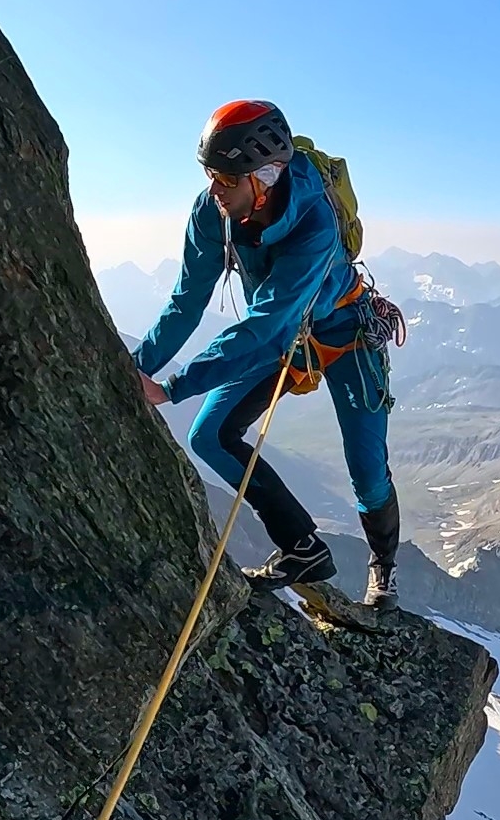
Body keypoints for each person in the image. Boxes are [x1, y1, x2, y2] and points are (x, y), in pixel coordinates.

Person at [134, 99, 401, 607]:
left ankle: (384, 568)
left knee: (367, 470)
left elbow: (267, 325)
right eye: (211, 174)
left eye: (226, 178)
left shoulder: (316, 221)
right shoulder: (212, 213)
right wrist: (134, 370)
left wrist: (173, 388)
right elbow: (186, 301)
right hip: (282, 334)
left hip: (346, 331)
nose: (215, 188)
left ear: (267, 175)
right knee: (209, 436)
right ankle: (303, 548)